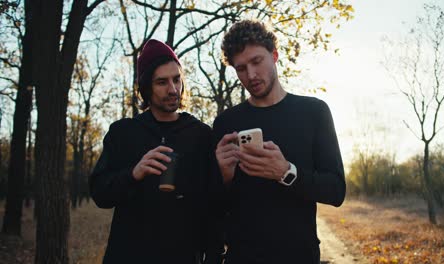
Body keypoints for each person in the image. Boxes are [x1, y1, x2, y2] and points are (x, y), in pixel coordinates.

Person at [213, 20, 346, 264]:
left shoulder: (314, 112)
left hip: (299, 256)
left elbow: (336, 190)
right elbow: (213, 208)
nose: (250, 75)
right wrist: (222, 176)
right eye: (241, 68)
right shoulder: (225, 123)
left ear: (274, 55)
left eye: (256, 62)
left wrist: (286, 172)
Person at [90, 39, 223, 264]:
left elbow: (213, 207)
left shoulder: (201, 135)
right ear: (146, 87)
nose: (173, 89)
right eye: (162, 82)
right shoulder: (123, 133)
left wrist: (213, 257)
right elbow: (100, 194)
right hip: (128, 255)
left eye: (176, 79)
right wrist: (134, 173)